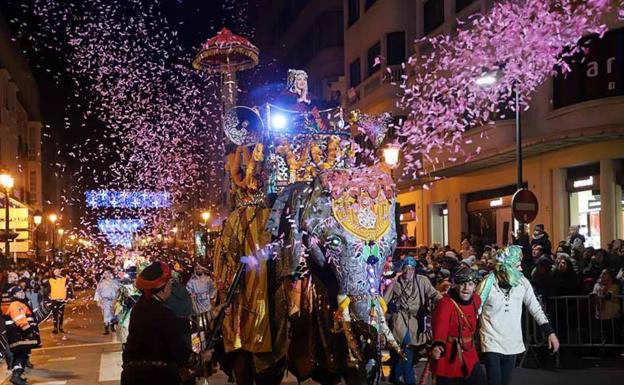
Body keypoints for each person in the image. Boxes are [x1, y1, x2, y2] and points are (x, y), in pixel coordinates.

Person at [478, 246, 559, 385]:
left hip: (512, 342)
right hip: (491, 341)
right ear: (506, 266)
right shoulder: (487, 284)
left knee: (505, 382)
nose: (521, 269)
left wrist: (550, 332)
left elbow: (535, 308)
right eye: (517, 265)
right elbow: (475, 310)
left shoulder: (522, 283)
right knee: (494, 381)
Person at [121, 261, 193, 385]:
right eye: (170, 282)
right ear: (163, 289)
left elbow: (180, 325)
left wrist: (211, 315)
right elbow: (181, 355)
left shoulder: (141, 307)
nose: (172, 285)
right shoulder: (163, 313)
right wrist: (201, 357)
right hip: (155, 377)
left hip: (133, 377)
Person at [385, 256, 442, 385]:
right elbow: (384, 300)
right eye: (405, 268)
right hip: (401, 319)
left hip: (417, 320)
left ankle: (394, 375)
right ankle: (410, 381)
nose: (408, 272)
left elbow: (434, 294)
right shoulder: (396, 282)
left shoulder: (422, 281)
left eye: (411, 269)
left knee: (411, 352)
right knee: (407, 350)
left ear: (414, 269)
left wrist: (445, 302)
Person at [431, 268, 485, 385]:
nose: (466, 288)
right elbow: (441, 324)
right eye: (463, 284)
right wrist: (438, 344)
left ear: (474, 287)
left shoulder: (476, 300)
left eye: (470, 284)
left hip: (469, 352)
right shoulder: (446, 302)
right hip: (450, 356)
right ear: (456, 285)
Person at [4, 286, 40, 385]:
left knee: (22, 354)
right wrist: (28, 331)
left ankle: (17, 375)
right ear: (14, 295)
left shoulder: (20, 303)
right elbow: (20, 319)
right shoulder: (16, 304)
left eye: (22, 291)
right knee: (22, 355)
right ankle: (16, 376)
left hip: (19, 334)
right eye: (19, 292)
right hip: (19, 334)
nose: (22, 293)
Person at [45, 268, 73, 334]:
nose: (57, 272)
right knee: (55, 314)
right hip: (54, 299)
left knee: (61, 314)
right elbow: (47, 290)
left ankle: (60, 327)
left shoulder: (64, 279)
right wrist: (47, 298)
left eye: (58, 271)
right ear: (53, 273)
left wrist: (70, 296)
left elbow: (69, 287)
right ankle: (55, 328)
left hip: (62, 299)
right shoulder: (50, 280)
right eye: (56, 271)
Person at [94, 269, 121, 335]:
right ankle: (106, 329)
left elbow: (119, 290)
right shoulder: (101, 283)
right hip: (105, 300)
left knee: (114, 314)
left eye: (107, 273)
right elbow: (98, 292)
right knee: (106, 314)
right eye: (105, 273)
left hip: (114, 300)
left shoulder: (115, 282)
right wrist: (98, 301)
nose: (106, 275)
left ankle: (112, 327)